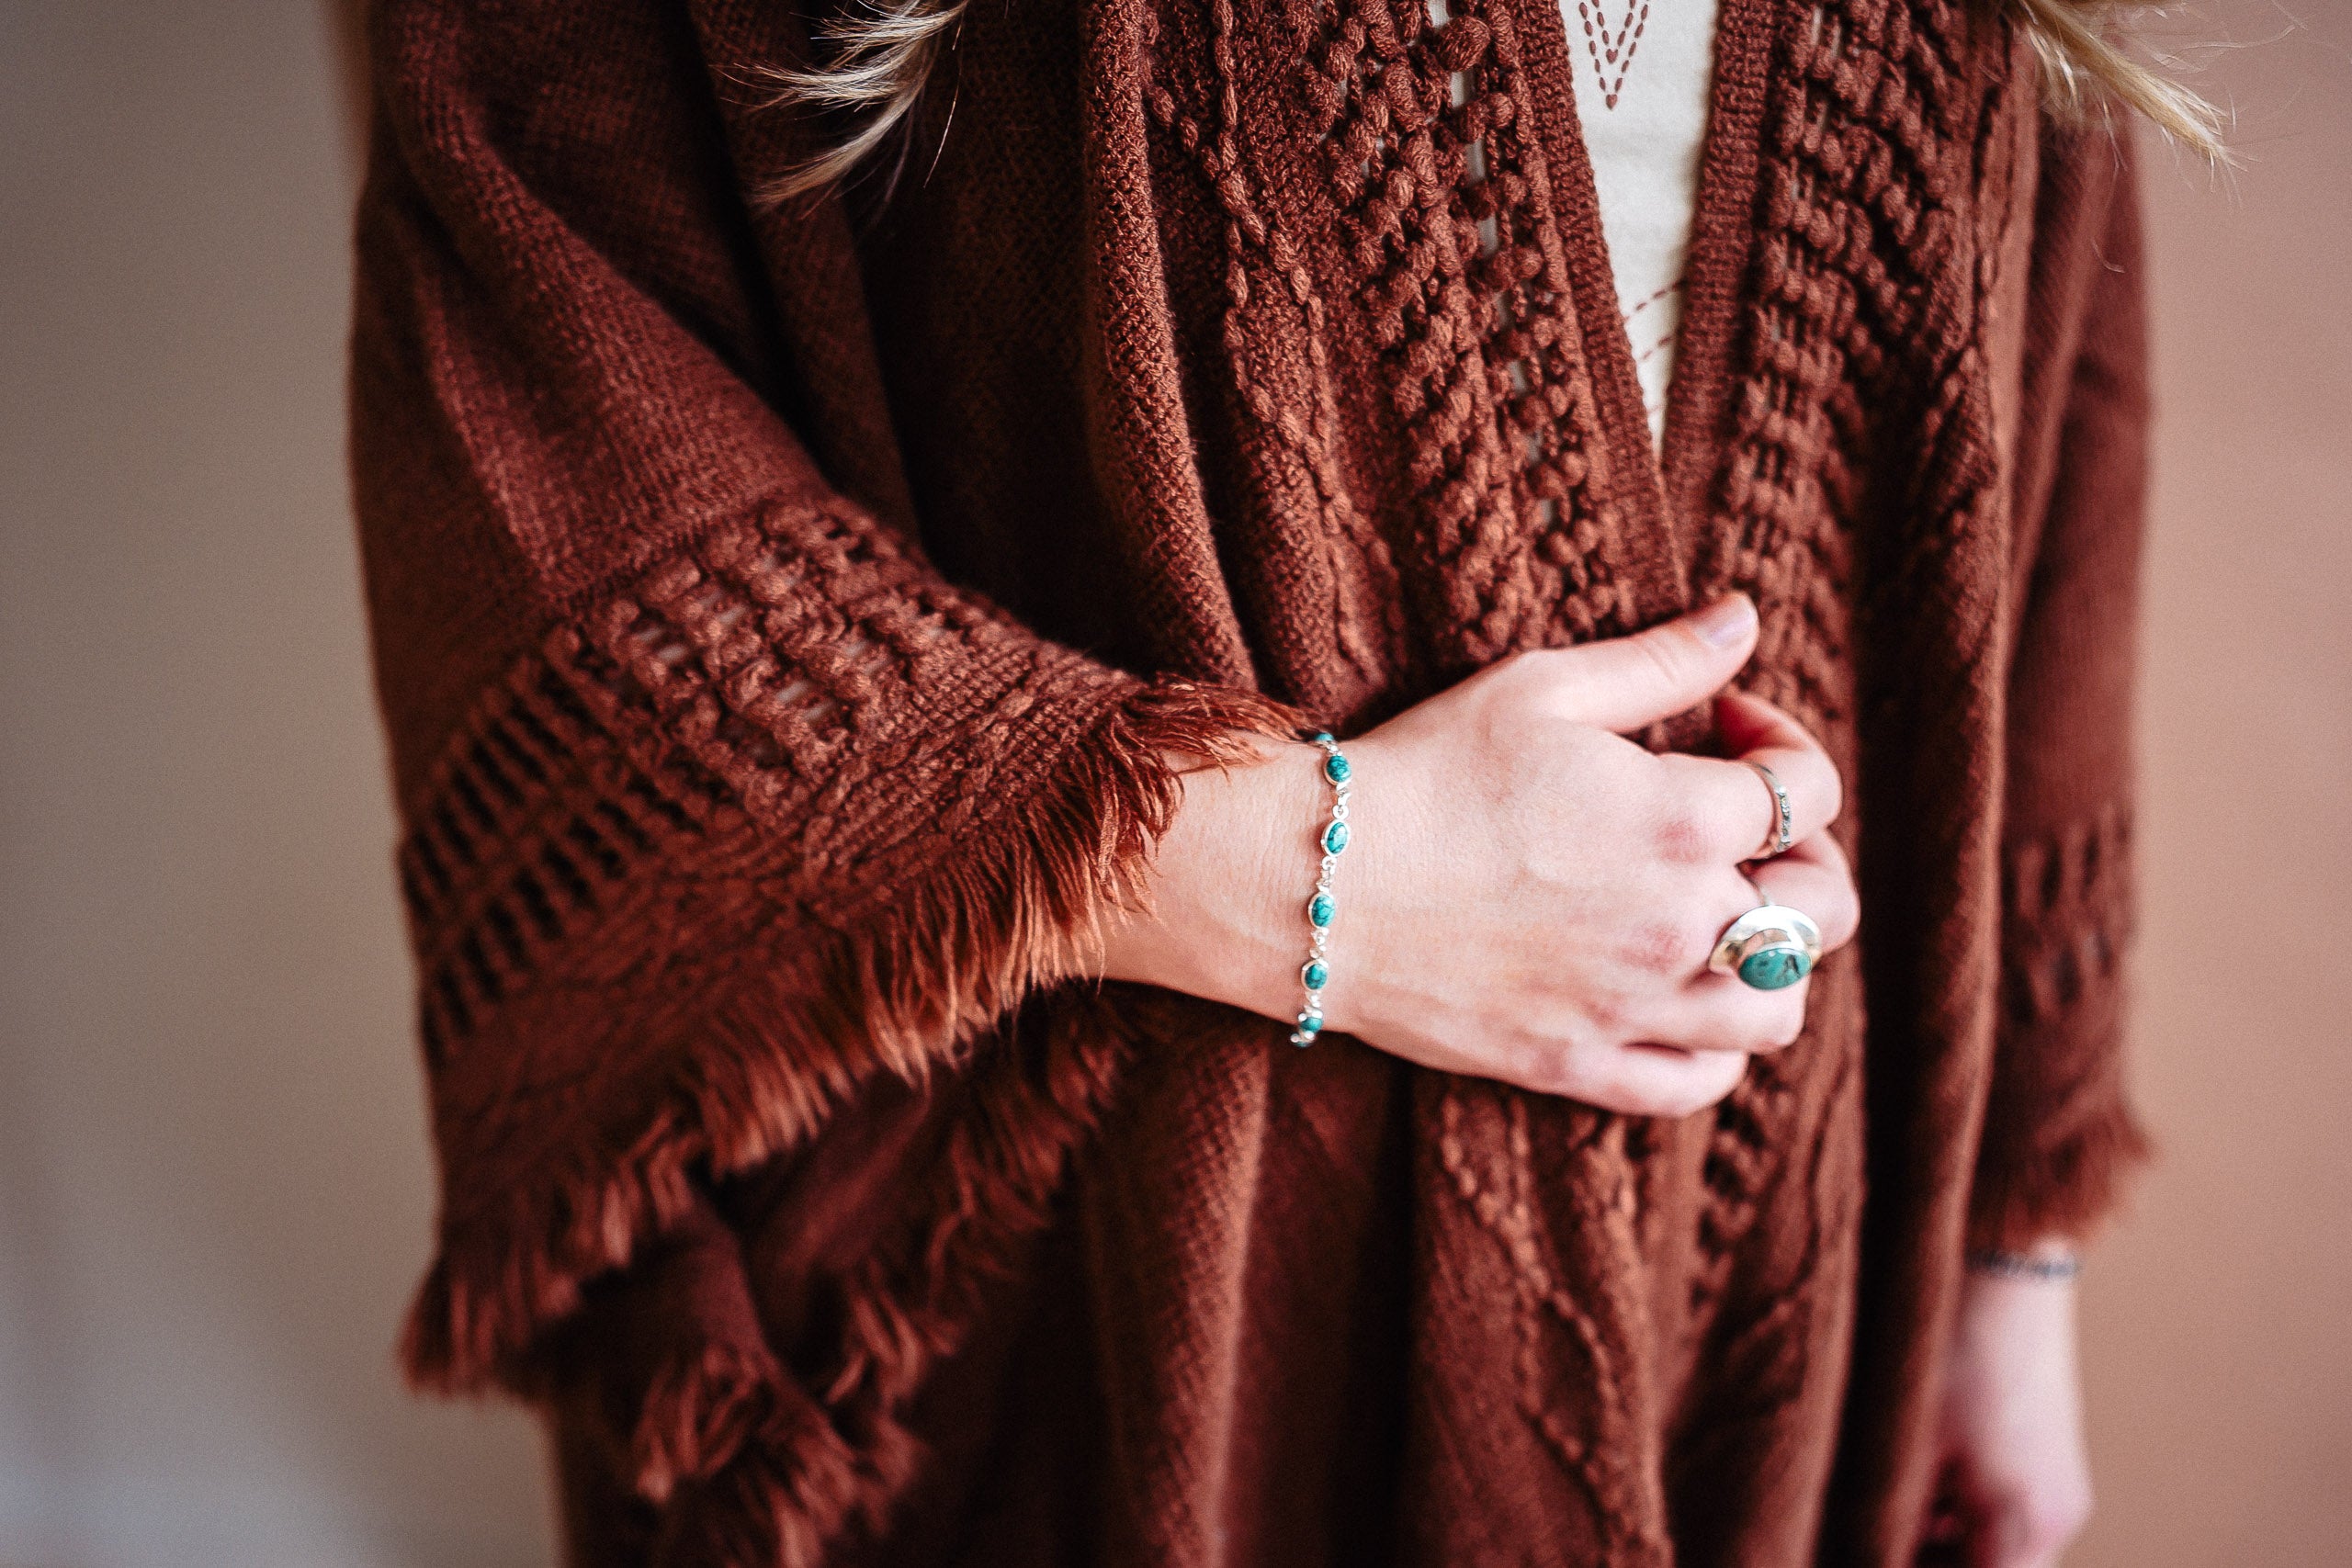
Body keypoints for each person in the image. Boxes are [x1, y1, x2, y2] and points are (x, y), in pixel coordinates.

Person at [348, 0, 2208, 1561]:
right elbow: (533, 376)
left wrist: (2005, 1265)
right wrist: (1315, 876)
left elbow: (2046, 460)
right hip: (1086, 1333)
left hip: (1763, 1317)